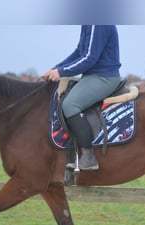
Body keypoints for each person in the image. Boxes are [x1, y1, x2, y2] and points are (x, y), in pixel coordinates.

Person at [43, 25, 121, 170]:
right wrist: (56, 69)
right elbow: (79, 52)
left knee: (70, 105)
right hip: (92, 76)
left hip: (103, 77)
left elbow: (88, 58)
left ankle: (88, 157)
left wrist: (61, 72)